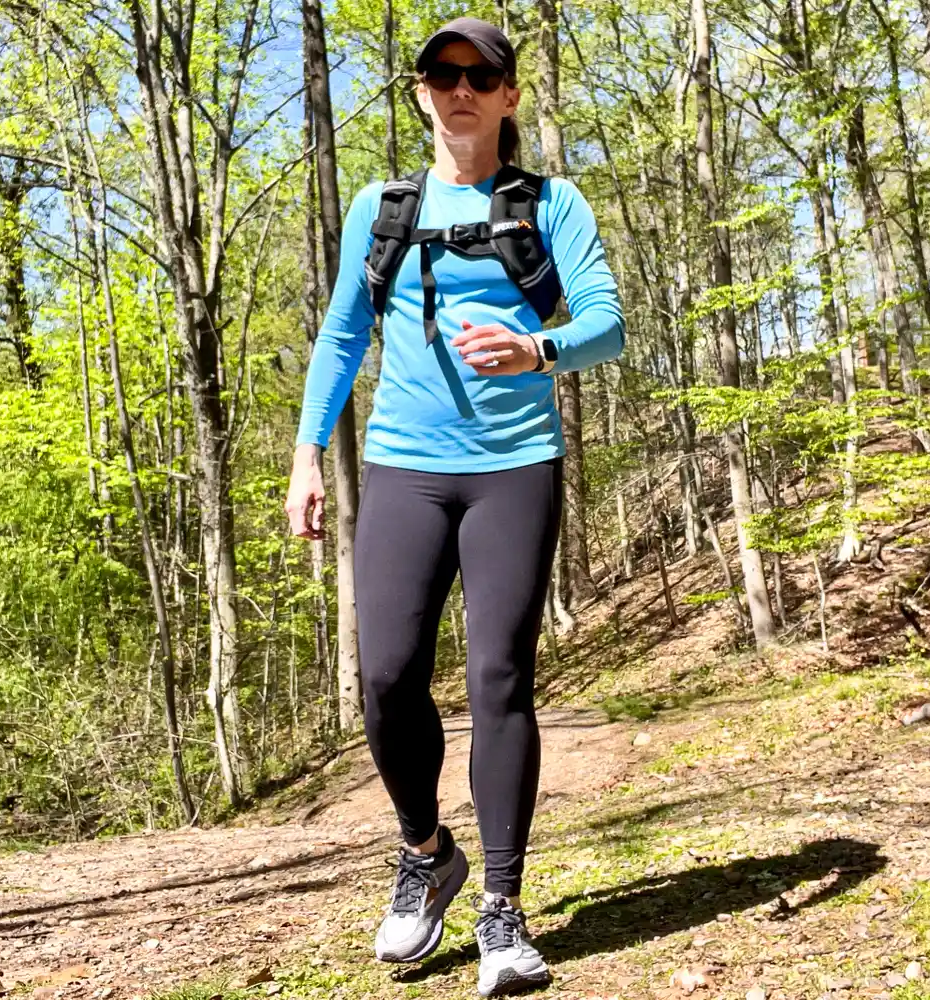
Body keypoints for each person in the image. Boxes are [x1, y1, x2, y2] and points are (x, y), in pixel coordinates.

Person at [285, 16, 624, 997]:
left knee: (498, 678)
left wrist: (541, 349)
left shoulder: (552, 205)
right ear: (422, 91)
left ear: (510, 96)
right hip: (402, 468)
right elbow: (342, 334)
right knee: (386, 675)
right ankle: (428, 853)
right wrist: (308, 455)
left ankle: (504, 911)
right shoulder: (379, 209)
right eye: (442, 72)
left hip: (515, 467)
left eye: (481, 74)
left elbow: (607, 322)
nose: (461, 86)